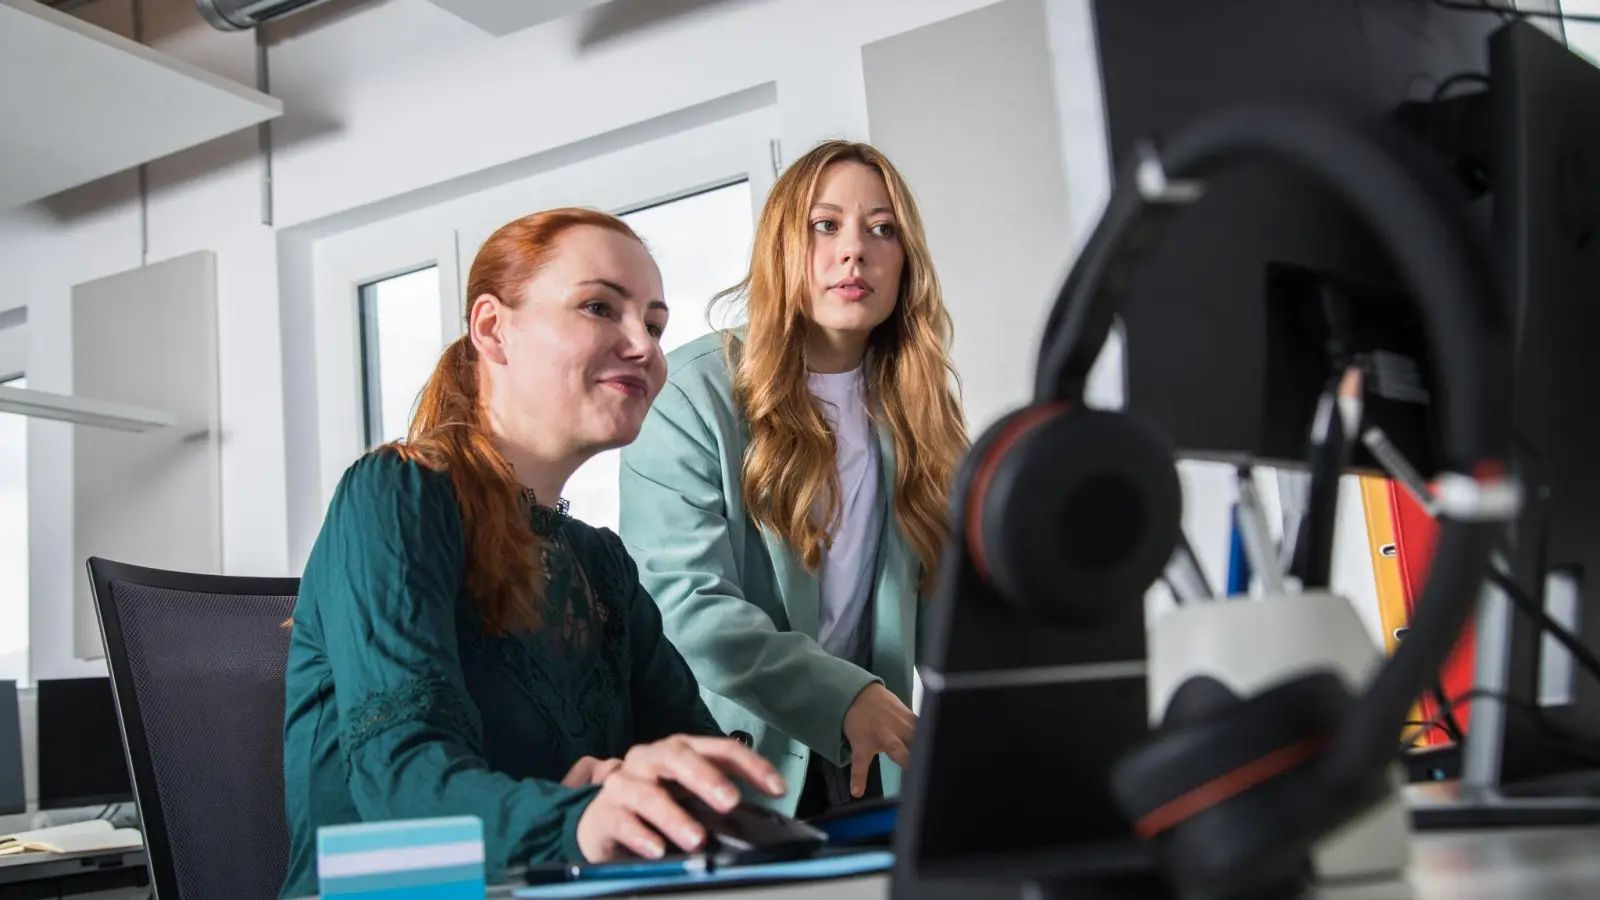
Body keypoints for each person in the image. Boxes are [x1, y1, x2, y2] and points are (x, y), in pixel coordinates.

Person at [279, 208, 786, 899]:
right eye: (600, 307)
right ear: (493, 328)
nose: (643, 344)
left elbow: (697, 756)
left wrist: (672, 793)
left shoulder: (600, 563)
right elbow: (402, 785)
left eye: (656, 324)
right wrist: (579, 818)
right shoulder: (395, 496)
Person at [616, 141, 967, 819]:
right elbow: (686, 608)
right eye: (825, 224)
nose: (854, 251)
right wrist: (844, 697)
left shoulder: (922, 411)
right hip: (729, 771)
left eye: (881, 229)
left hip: (877, 769)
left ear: (905, 262)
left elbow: (948, 609)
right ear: (784, 245)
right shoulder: (692, 396)